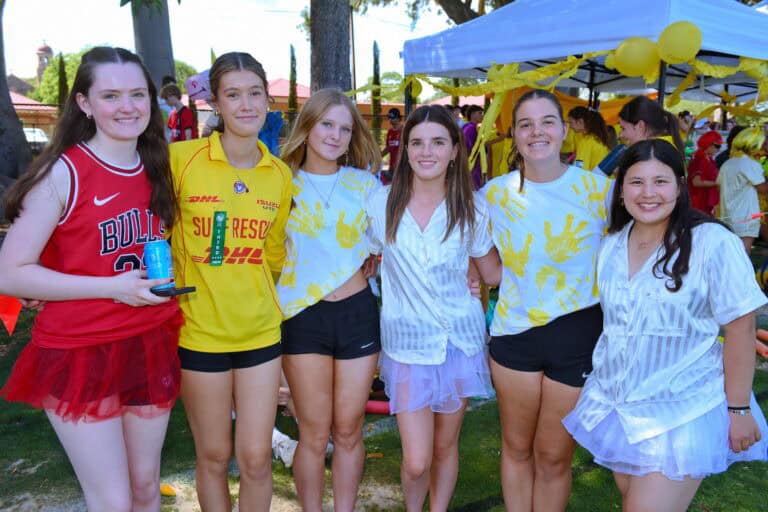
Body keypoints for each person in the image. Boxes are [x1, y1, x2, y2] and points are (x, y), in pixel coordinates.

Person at [0, 46, 181, 512]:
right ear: (84, 103)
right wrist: (111, 287)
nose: (128, 107)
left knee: (145, 488)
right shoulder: (63, 173)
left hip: (146, 341)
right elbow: (10, 274)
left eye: (137, 94)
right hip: (79, 350)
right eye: (111, 95)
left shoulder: (156, 165)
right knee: (113, 501)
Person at [563, 139, 768, 511]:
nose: (648, 193)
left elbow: (740, 327)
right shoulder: (610, 245)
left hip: (683, 408)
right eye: (636, 182)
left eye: (660, 181)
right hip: (619, 405)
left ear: (679, 186)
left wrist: (739, 410)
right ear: (621, 189)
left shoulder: (712, 242)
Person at [167, 52, 292, 511]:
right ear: (215, 103)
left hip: (261, 333)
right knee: (215, 455)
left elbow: (273, 257)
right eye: (233, 94)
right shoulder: (180, 159)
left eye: (254, 93)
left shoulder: (279, 175)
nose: (246, 105)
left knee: (257, 458)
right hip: (199, 335)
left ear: (267, 99)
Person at [482, 89, 612, 511]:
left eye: (547, 122)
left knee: (555, 455)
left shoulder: (599, 191)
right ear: (514, 136)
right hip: (515, 335)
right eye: (526, 124)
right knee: (517, 448)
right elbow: (485, 265)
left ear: (564, 130)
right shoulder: (494, 196)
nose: (537, 132)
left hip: (578, 335)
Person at [366, 104, 500, 512]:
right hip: (406, 347)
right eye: (418, 142)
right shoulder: (379, 203)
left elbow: (491, 272)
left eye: (439, 142)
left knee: (445, 447)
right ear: (404, 149)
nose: (428, 152)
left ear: (455, 150)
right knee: (416, 459)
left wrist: (481, 273)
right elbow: (361, 259)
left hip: (457, 343)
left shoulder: (471, 207)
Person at [277, 88, 382, 512]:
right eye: (327, 124)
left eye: (345, 128)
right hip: (303, 319)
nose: (336, 135)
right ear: (307, 125)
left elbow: (399, 238)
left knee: (349, 430)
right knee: (314, 434)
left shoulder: (366, 185)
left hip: (357, 315)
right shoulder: (280, 181)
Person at [717, 127, 768, 254]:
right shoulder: (751, 164)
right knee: (743, 254)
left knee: (730, 253)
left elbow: (718, 186)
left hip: (727, 216)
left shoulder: (728, 163)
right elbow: (763, 188)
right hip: (746, 217)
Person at [618, 96, 684, 152]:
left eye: (623, 128)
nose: (620, 135)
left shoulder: (653, 154)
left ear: (640, 126)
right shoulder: (664, 146)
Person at [687, 130, 723, 215]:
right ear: (708, 143)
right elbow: (696, 182)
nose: (718, 149)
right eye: (717, 146)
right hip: (698, 200)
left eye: (720, 146)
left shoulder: (708, 158)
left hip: (705, 198)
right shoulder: (699, 158)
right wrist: (717, 183)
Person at [567, 106, 611, 171]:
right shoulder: (597, 138)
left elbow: (580, 169)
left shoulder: (586, 142)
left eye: (571, 122)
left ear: (580, 122)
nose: (570, 126)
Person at [462, 105, 484, 190]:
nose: (482, 116)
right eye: (480, 113)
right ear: (473, 114)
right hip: (472, 164)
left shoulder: (467, 126)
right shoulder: (471, 128)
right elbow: (474, 148)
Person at [382, 107, 403, 183]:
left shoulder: (404, 131)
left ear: (398, 118)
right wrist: (378, 156)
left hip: (402, 167)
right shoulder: (390, 132)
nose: (390, 119)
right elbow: (388, 148)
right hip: (392, 167)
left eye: (392, 117)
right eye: (389, 117)